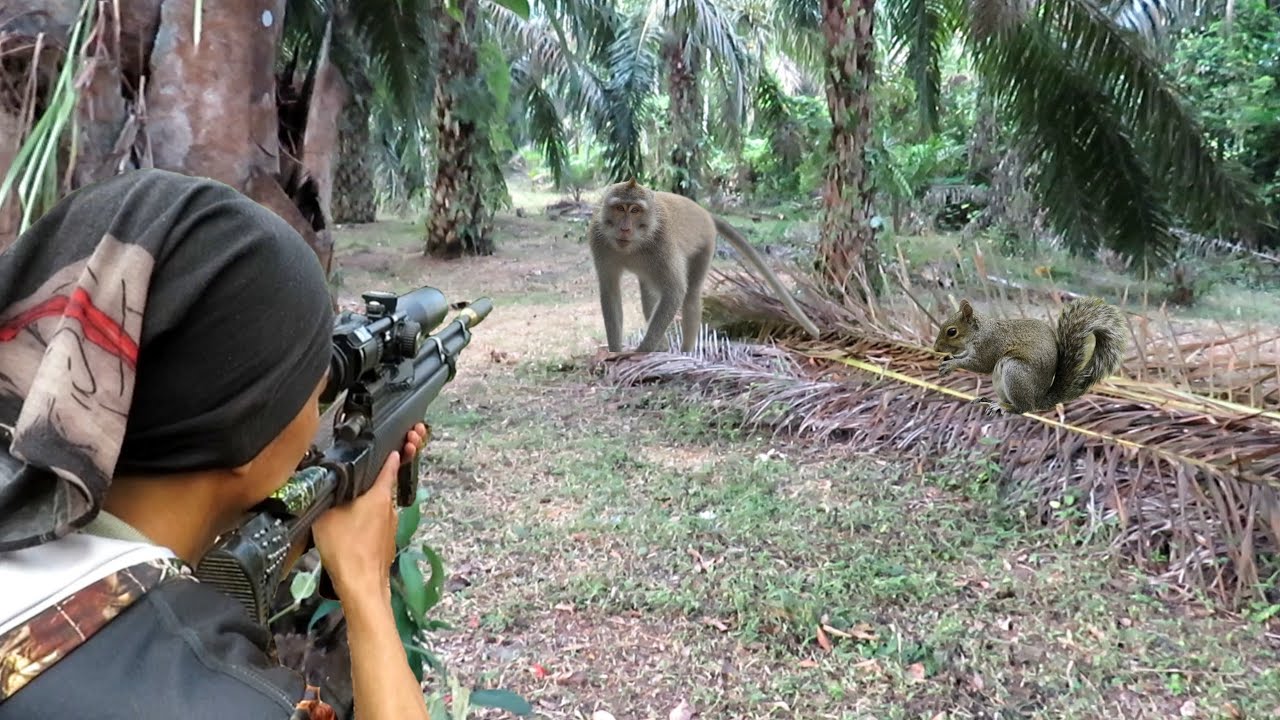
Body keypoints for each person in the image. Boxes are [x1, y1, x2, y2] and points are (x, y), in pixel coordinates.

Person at [0, 169, 432, 719]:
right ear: (248, 431)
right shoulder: (232, 700)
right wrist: (366, 585)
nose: (320, 403)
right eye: (313, 384)